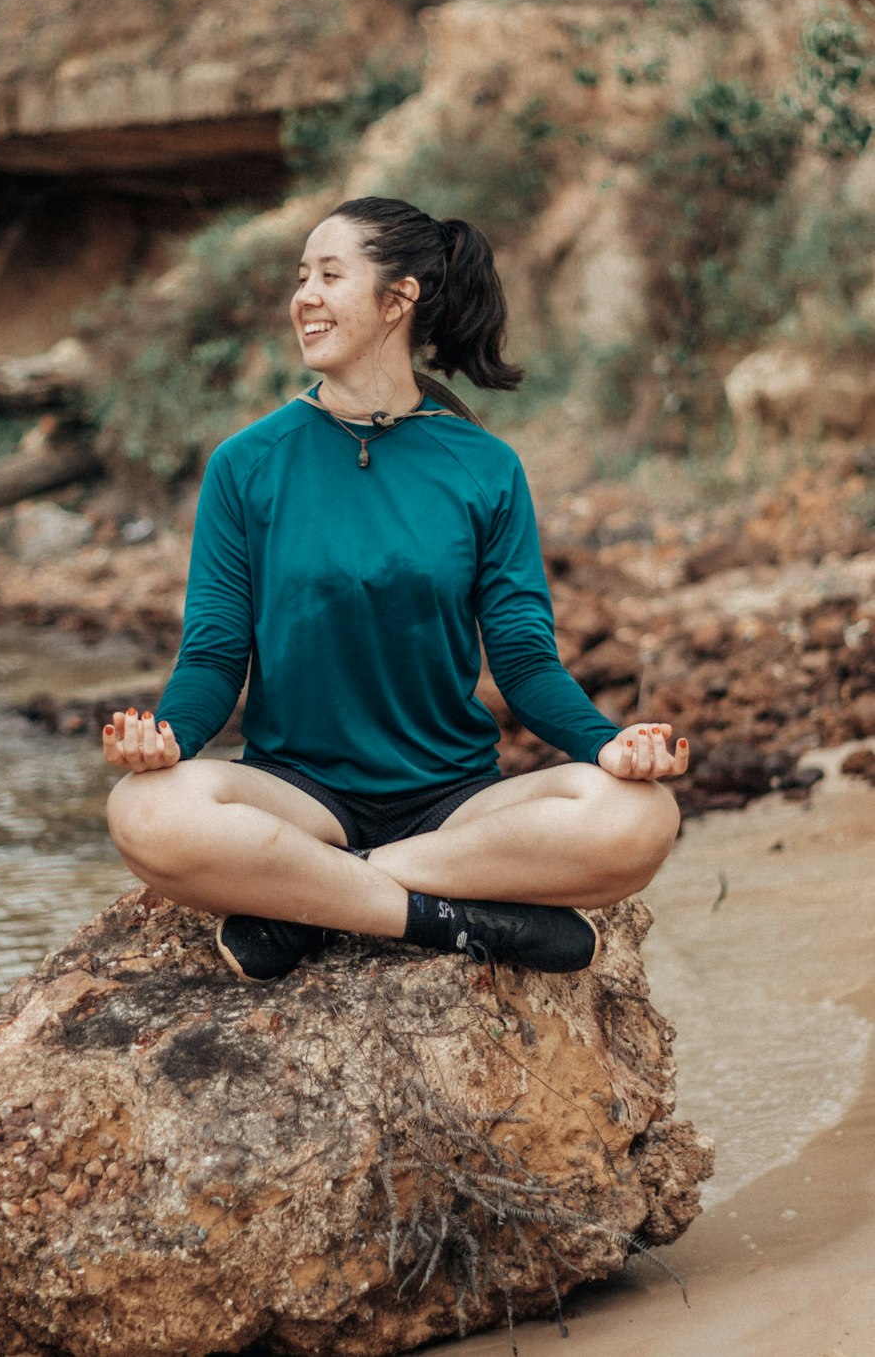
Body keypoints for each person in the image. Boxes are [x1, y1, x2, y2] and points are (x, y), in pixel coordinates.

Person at [102, 196, 688, 984]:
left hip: (454, 802)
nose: (303, 296)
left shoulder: (484, 468)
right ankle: (444, 919)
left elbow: (523, 660)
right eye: (301, 276)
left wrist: (605, 743)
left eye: (330, 275)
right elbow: (213, 654)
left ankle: (315, 894)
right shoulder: (246, 464)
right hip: (297, 793)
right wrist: (168, 736)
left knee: (642, 818)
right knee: (142, 810)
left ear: (398, 298)